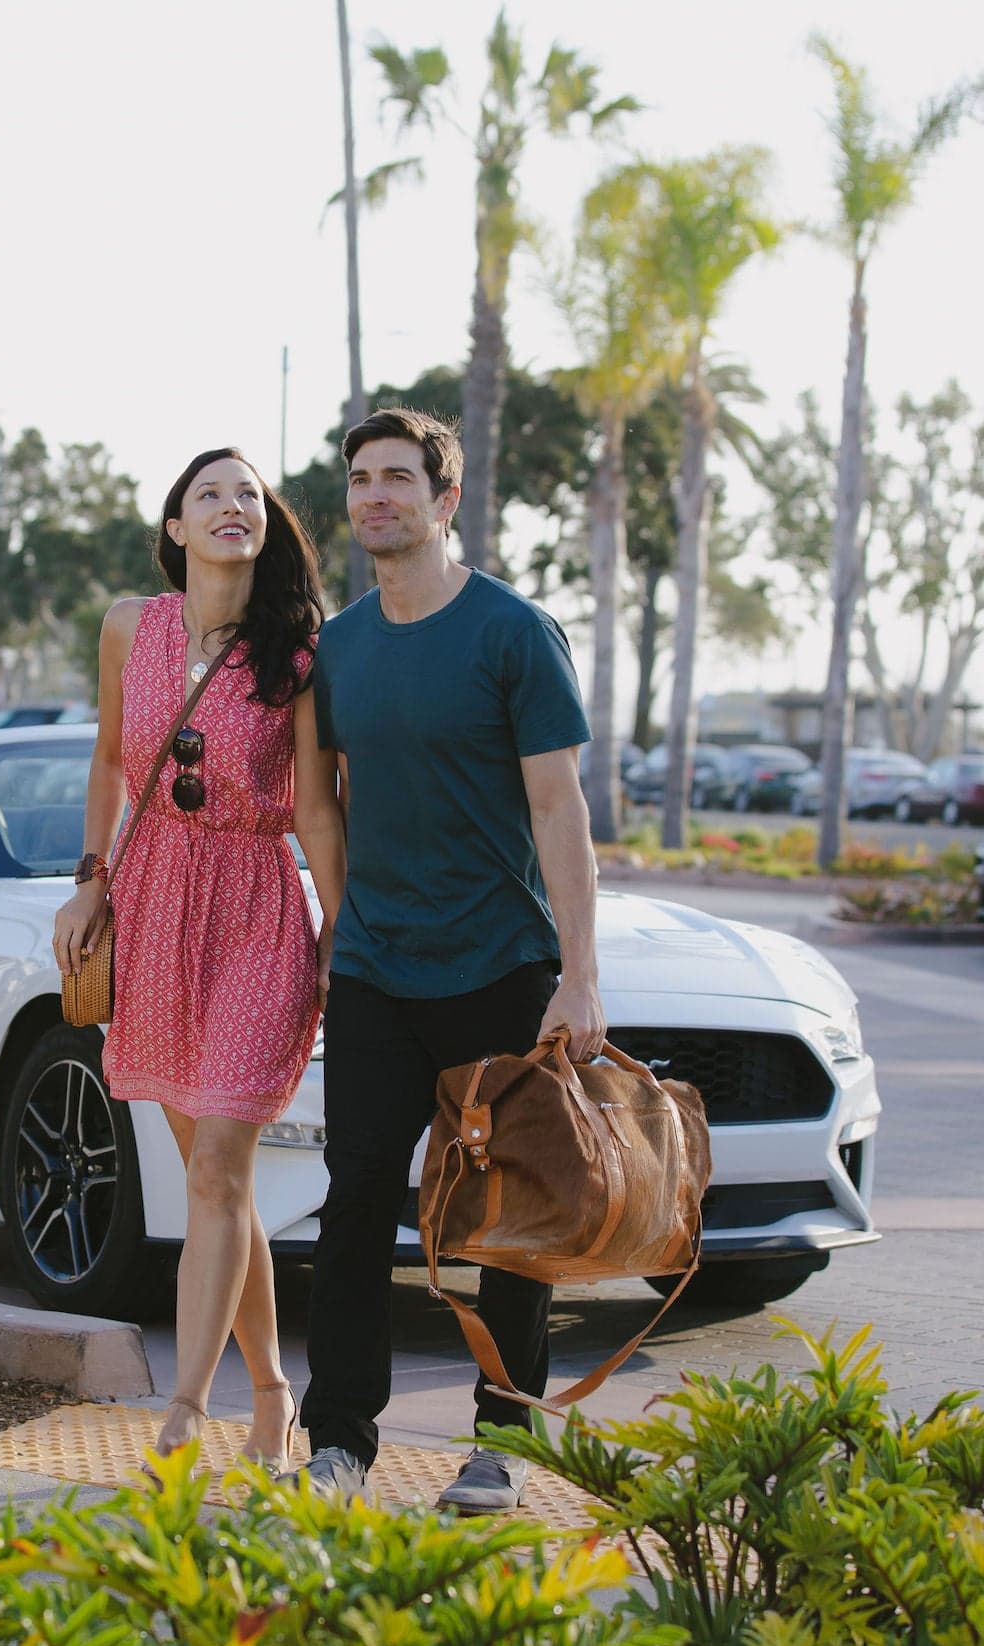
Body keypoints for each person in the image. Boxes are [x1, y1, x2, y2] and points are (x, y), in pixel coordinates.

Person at [295, 407, 604, 1515]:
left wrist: (579, 971)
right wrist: (343, 920)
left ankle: (507, 1440)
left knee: (506, 1213)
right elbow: (317, 800)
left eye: (396, 477)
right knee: (354, 1200)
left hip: (499, 966)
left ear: (444, 498)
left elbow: (556, 803)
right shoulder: (337, 646)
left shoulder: (513, 633)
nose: (374, 495)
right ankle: (337, 1444)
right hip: (378, 968)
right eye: (360, 479)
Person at [51, 446, 342, 1468]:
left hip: (257, 910)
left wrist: (339, 923)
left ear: (267, 526)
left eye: (248, 495)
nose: (232, 506)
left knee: (220, 1164)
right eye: (208, 493)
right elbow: (106, 757)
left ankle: (183, 1402)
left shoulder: (299, 651)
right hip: (154, 905)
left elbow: (314, 806)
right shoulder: (132, 626)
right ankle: (271, 1391)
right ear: (175, 527)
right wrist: (90, 877)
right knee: (216, 1181)